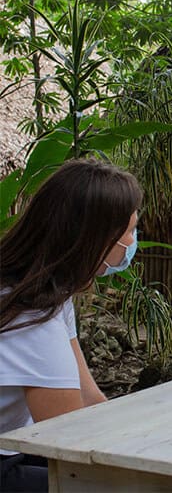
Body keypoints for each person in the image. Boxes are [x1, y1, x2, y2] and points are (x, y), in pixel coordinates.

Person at [0, 158, 143, 492]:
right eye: (130, 232)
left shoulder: (44, 293)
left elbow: (88, 397)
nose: (132, 243)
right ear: (95, 239)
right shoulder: (29, 317)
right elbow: (70, 442)